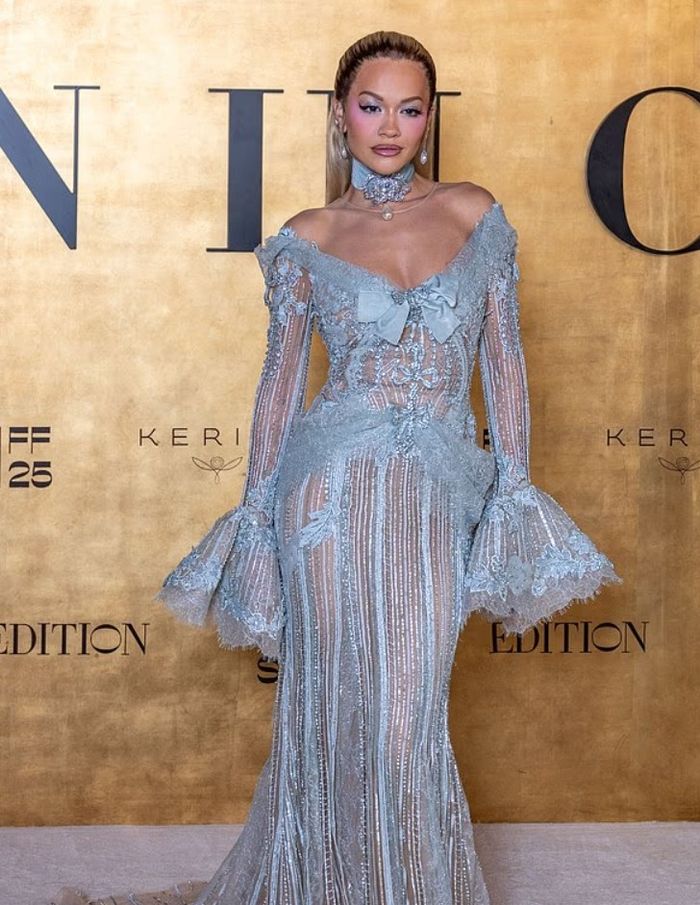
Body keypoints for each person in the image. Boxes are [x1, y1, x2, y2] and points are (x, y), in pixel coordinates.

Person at [53, 29, 621, 905]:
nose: (389, 127)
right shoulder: (308, 235)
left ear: (429, 118)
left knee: (404, 720)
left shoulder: (476, 214)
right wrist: (254, 515)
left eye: (409, 108)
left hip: (434, 500)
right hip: (326, 500)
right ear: (339, 114)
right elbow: (279, 386)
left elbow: (504, 363)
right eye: (371, 105)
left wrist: (514, 487)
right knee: (332, 712)